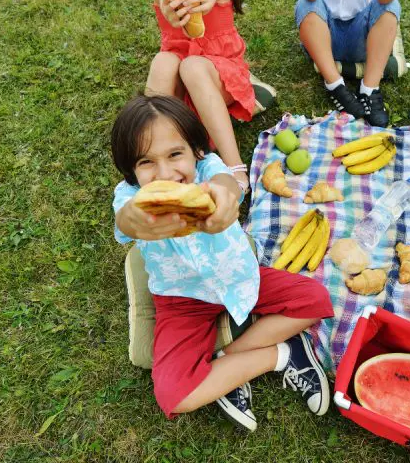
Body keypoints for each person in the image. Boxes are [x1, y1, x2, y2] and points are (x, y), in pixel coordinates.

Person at [111, 95, 333, 431]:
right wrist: (136, 219)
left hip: (242, 278)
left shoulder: (208, 168)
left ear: (195, 151)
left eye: (175, 154)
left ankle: (227, 365)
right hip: (181, 301)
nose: (166, 174)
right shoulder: (130, 197)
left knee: (316, 299)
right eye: (146, 162)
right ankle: (280, 356)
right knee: (173, 395)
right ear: (131, 170)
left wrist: (223, 201)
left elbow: (226, 184)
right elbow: (126, 220)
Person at [145, 0, 274, 194]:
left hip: (221, 75)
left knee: (193, 66)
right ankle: (154, 155)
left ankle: (234, 168)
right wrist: (169, 1)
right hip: (183, 80)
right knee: (164, 62)